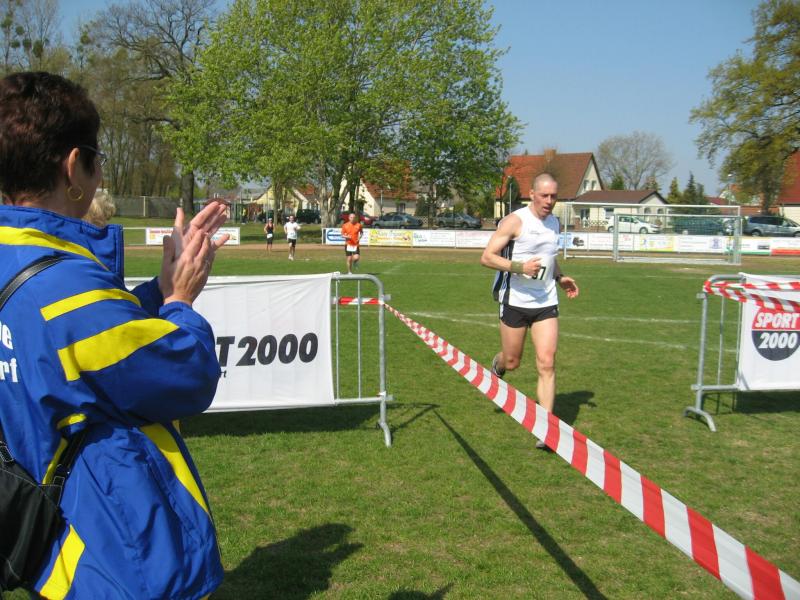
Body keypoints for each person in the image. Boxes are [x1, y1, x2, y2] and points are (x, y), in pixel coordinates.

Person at [0, 71, 229, 598]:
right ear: (73, 166)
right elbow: (186, 372)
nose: (100, 173)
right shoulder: (62, 286)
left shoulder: (21, 262)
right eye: (97, 159)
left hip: (51, 538)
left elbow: (80, 343)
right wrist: (181, 302)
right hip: (115, 550)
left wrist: (159, 290)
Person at [480, 173, 579, 449]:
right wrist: (519, 267)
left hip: (545, 301)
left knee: (547, 362)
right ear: (532, 194)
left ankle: (546, 430)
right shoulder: (515, 221)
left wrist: (560, 278)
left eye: (554, 196)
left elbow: (550, 258)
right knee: (513, 361)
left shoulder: (554, 223)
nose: (549, 201)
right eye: (544, 195)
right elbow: (486, 257)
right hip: (515, 299)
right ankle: (498, 365)